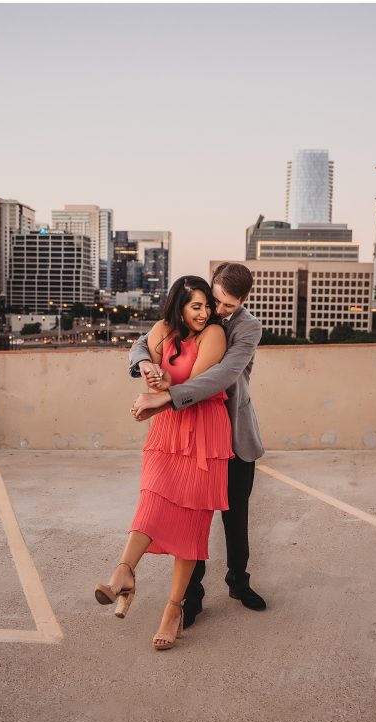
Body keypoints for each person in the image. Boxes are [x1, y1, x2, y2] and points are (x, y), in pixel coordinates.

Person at [94, 276, 231, 650]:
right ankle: (123, 572)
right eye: (196, 306)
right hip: (168, 428)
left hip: (204, 429)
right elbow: (150, 365)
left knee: (191, 520)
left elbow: (197, 383)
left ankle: (174, 610)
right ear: (179, 307)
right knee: (151, 500)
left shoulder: (214, 335)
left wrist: (160, 385)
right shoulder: (159, 331)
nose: (206, 312)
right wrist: (149, 372)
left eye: (207, 305)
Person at [129, 262, 266, 629]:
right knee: (193, 515)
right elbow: (145, 341)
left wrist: (166, 398)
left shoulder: (248, 327)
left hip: (234, 434)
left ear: (243, 300)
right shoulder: (196, 310)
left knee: (235, 517)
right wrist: (143, 363)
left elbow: (221, 375)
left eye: (227, 306)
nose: (218, 312)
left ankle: (239, 581)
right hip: (195, 434)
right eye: (215, 302)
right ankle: (192, 599)